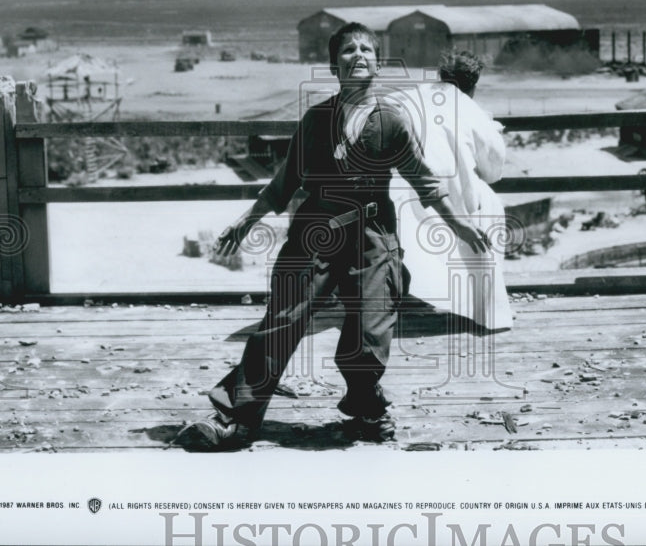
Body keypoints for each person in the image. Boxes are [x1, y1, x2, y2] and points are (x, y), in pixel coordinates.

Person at [182, 23, 490, 449]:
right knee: (283, 322)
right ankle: (238, 419)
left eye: (367, 49)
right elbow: (283, 183)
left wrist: (458, 223)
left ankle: (366, 410)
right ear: (334, 65)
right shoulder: (315, 121)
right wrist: (248, 218)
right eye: (348, 50)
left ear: (378, 63)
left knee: (371, 329)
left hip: (373, 233)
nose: (358, 54)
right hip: (316, 230)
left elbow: (427, 183)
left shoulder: (391, 123)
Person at [392, 50, 513, 331]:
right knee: (489, 205)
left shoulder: (411, 96)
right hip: (448, 196)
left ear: (441, 76)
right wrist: (489, 129)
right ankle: (486, 311)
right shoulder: (470, 109)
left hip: (405, 192)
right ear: (474, 83)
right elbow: (494, 171)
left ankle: (409, 294)